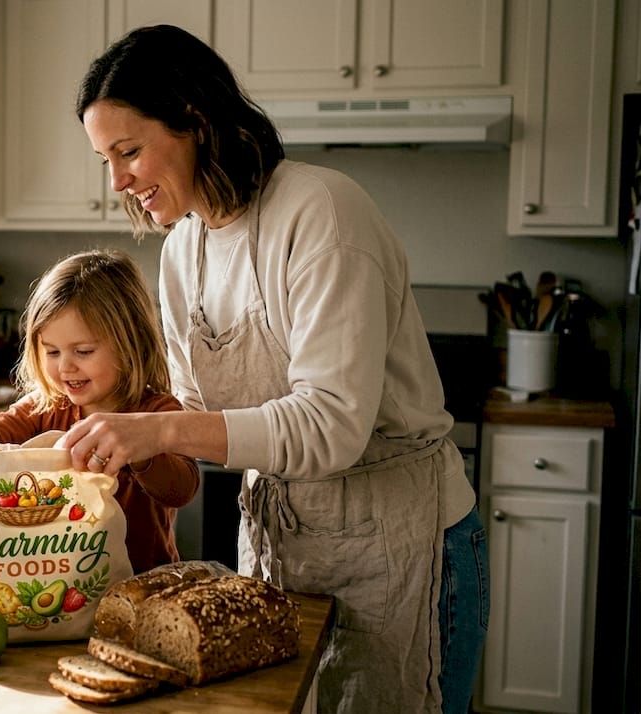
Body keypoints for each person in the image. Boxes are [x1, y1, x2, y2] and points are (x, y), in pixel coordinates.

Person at [63, 25, 487, 714]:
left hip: (399, 545)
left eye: (130, 151)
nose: (118, 181)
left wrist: (156, 433)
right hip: (279, 546)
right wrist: (123, 434)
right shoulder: (183, 253)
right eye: (105, 160)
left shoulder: (321, 211)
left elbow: (330, 429)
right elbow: (194, 423)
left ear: (195, 121)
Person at [0, 249, 199, 575]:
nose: (66, 367)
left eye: (83, 351)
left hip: (142, 583)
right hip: (62, 588)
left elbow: (181, 489)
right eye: (52, 352)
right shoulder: (45, 406)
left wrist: (142, 452)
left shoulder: (157, 413)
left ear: (131, 343)